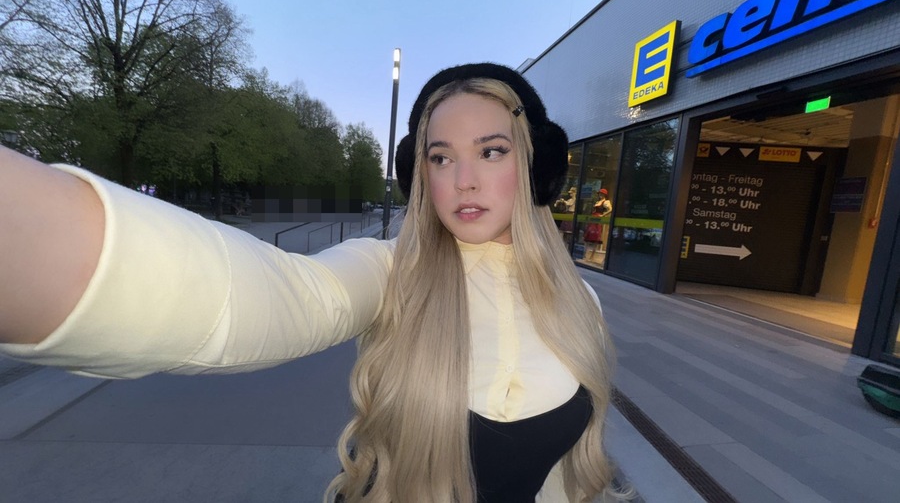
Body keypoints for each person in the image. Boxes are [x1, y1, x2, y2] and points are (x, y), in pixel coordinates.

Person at [0, 63, 620, 502]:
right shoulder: (390, 272)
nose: (463, 180)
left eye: (490, 151)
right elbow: (281, 297)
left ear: (535, 164)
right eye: (440, 157)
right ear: (420, 175)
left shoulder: (581, 302)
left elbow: (564, 479)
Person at [584, 189, 612, 260]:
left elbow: (610, 209)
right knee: (589, 236)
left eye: (602, 194)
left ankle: (592, 256)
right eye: (599, 194)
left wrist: (603, 215)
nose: (600, 195)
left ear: (604, 195)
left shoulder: (605, 202)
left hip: (598, 219)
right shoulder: (598, 202)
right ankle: (586, 255)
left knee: (596, 237)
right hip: (593, 219)